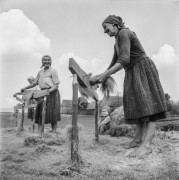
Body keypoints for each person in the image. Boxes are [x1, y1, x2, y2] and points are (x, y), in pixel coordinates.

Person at [90, 15, 167, 157]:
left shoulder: (124, 33)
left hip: (142, 68)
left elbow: (124, 59)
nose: (105, 32)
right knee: (139, 106)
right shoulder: (116, 41)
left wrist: (103, 76)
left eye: (106, 28)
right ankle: (137, 140)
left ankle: (147, 145)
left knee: (149, 107)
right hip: (132, 71)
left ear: (115, 25)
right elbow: (114, 63)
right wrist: (99, 77)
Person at [21, 55, 61, 133]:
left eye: (48, 60)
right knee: (40, 112)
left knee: (53, 113)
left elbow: (56, 86)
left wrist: (48, 91)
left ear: (51, 62)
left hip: (52, 93)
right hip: (42, 93)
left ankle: (53, 132)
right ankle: (40, 132)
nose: (47, 61)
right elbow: (34, 83)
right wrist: (25, 88)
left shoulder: (53, 71)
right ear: (42, 62)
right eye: (45, 60)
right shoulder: (40, 72)